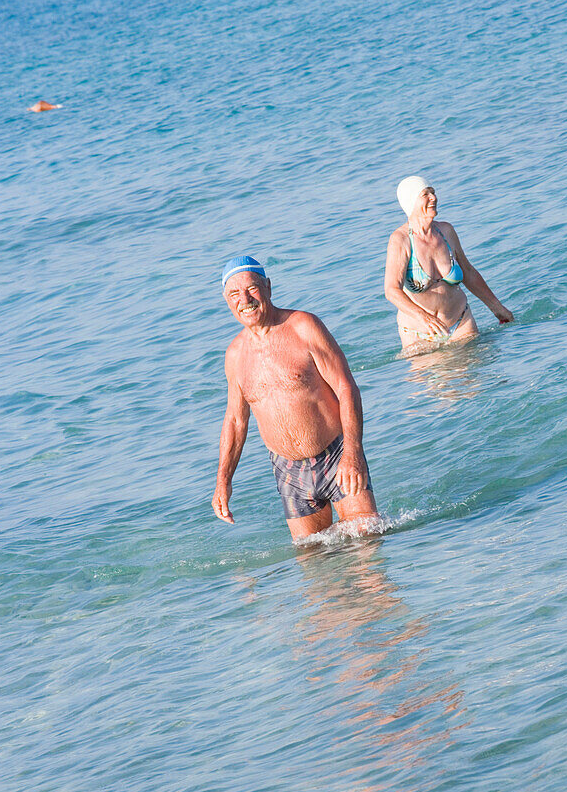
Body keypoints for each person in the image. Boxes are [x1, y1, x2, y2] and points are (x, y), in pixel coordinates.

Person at [211, 256, 379, 541]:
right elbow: (236, 421)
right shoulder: (235, 355)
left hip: (337, 455)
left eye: (252, 289)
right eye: (234, 294)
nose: (245, 299)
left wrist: (353, 452)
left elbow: (346, 388)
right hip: (289, 473)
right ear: (227, 301)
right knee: (315, 566)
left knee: (369, 546)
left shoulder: (304, 326)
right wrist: (223, 482)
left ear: (268, 287)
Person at [384, 174, 514, 349]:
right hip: (419, 334)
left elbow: (468, 273)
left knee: (483, 374)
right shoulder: (400, 240)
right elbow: (392, 290)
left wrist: (497, 307)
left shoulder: (446, 231)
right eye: (425, 194)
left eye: (433, 192)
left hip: (461, 322)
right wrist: (423, 316)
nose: (434, 198)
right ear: (410, 201)